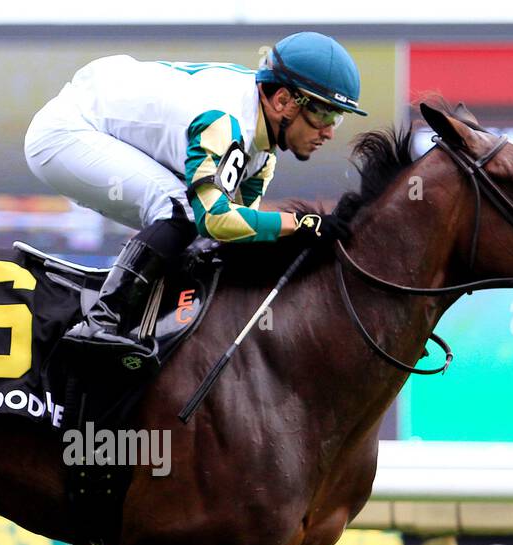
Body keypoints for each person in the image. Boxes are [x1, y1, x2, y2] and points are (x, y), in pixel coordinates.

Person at [24, 31, 367, 376]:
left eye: (337, 118)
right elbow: (215, 220)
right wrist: (301, 223)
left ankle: (150, 319)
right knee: (182, 211)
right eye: (324, 114)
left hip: (101, 118)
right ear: (281, 101)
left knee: (198, 233)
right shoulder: (224, 124)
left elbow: (234, 235)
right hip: (67, 133)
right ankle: (99, 323)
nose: (329, 132)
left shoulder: (262, 156)